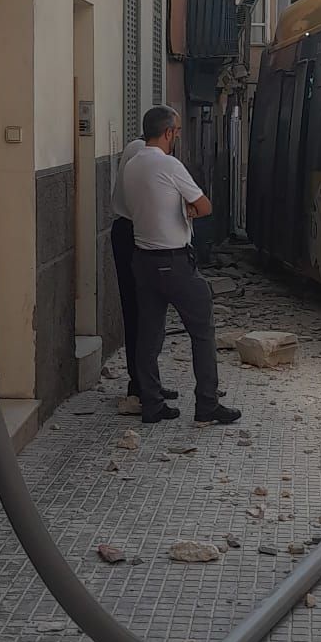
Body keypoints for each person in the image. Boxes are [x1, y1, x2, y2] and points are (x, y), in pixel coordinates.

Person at [122, 105, 241, 426]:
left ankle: (151, 403)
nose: (177, 135)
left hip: (142, 260)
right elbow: (204, 206)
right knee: (202, 332)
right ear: (168, 132)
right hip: (173, 262)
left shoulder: (131, 165)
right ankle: (207, 406)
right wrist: (187, 208)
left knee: (149, 334)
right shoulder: (169, 164)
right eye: (175, 130)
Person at [109, 132, 177, 416]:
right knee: (140, 313)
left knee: (148, 313)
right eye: (173, 132)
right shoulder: (142, 153)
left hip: (133, 233)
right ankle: (141, 385)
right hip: (135, 235)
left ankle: (147, 382)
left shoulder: (137, 151)